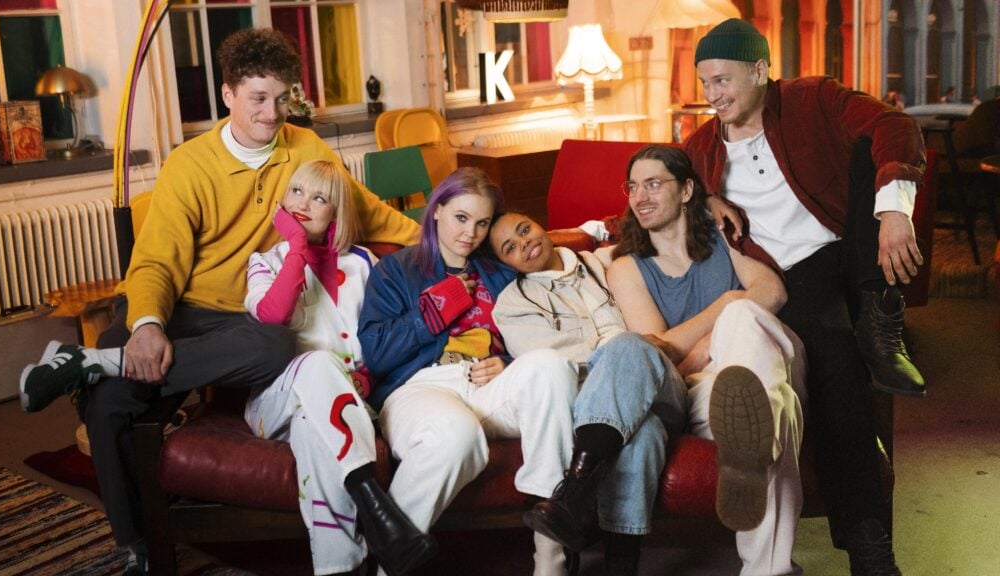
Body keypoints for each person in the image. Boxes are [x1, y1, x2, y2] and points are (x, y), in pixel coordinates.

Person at [18, 28, 419, 575]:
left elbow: (367, 211)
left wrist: (443, 239)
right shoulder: (189, 164)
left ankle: (91, 363)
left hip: (247, 318)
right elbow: (156, 261)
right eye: (258, 98)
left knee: (276, 345)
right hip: (179, 311)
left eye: (281, 99)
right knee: (109, 402)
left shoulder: (306, 148)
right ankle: (137, 544)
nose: (272, 113)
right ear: (227, 94)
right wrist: (148, 326)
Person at [686, 18, 922, 575]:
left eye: (723, 80)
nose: (712, 96)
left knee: (868, 144)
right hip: (793, 279)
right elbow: (652, 196)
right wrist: (703, 200)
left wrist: (895, 211)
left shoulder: (812, 99)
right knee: (839, 367)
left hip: (853, 249)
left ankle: (879, 314)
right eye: (705, 83)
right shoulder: (699, 149)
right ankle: (869, 547)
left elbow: (897, 125)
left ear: (759, 71)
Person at [357, 168, 580, 576]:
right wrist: (438, 308)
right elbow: (377, 354)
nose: (470, 234)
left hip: (490, 387)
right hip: (421, 388)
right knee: (457, 436)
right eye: (461, 218)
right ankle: (387, 567)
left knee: (551, 367)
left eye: (481, 223)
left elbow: (534, 327)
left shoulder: (499, 272)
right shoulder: (394, 270)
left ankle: (551, 556)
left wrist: (508, 361)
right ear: (436, 210)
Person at [242, 160, 436, 575]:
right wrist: (296, 246)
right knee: (316, 363)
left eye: (319, 198)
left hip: (349, 408)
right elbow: (273, 314)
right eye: (296, 192)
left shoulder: (364, 263)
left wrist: (368, 376)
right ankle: (372, 500)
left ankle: (340, 567)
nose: (302, 204)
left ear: (337, 211)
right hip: (277, 402)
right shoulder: (264, 263)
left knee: (315, 433)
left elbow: (383, 336)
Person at [488, 210, 689, 575]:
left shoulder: (602, 262)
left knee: (628, 346)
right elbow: (556, 368)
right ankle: (621, 566)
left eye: (525, 229)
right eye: (510, 247)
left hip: (661, 390)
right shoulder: (513, 305)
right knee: (643, 434)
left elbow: (651, 235)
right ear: (506, 263)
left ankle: (574, 493)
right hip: (595, 413)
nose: (525, 242)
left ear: (540, 225)